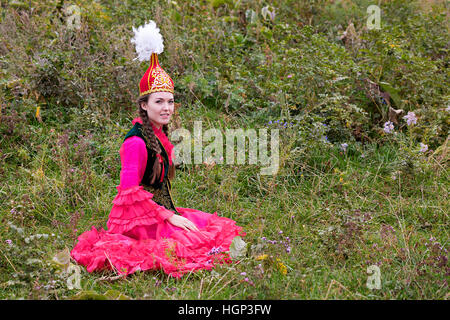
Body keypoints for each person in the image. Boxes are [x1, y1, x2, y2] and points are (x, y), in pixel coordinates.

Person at [70, 21, 246, 278]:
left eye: (171, 101)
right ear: (144, 106)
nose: (167, 108)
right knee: (186, 246)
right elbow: (128, 194)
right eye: (159, 101)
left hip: (158, 211)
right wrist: (167, 217)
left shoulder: (157, 135)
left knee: (207, 229)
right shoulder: (136, 142)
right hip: (139, 222)